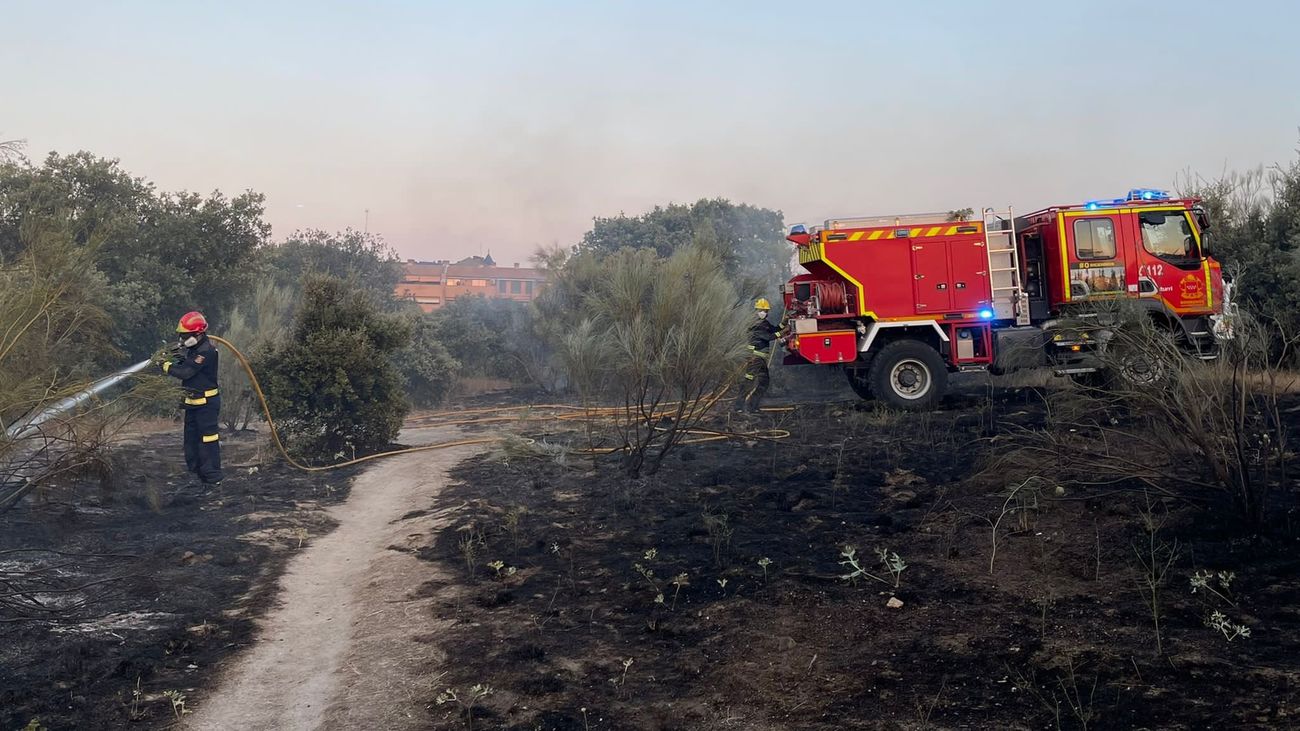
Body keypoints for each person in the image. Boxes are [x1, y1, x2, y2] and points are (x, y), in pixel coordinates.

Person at [157, 311, 224, 484]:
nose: (182, 338)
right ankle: (197, 477)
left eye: (185, 335)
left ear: (198, 334)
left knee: (207, 442)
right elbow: (184, 363)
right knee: (191, 443)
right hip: (193, 403)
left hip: (207, 405)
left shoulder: (206, 352)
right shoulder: (193, 350)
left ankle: (213, 479)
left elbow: (186, 372)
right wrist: (170, 357)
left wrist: (165, 365)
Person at [734, 298, 780, 414]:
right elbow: (768, 337)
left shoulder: (764, 323)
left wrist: (784, 322)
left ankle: (752, 407)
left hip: (760, 359)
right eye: (761, 310)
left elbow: (774, 329)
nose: (764, 312)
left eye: (765, 310)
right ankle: (738, 407)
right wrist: (782, 333)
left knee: (764, 382)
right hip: (754, 359)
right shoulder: (754, 324)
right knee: (749, 381)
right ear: (756, 310)